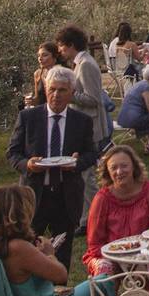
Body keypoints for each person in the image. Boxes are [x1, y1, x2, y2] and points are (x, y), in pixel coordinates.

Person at [6, 66, 97, 269]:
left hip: (66, 195)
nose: (56, 95)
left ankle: (60, 292)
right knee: (29, 250)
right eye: (52, 89)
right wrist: (27, 165)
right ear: (45, 89)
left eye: (62, 90)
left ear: (72, 93)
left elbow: (91, 154)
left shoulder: (81, 121)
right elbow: (12, 153)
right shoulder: (28, 118)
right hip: (34, 194)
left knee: (62, 253)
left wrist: (77, 162)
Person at [55, 25, 109, 236]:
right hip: (83, 125)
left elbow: (94, 100)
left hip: (91, 126)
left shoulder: (86, 65)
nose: (59, 50)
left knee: (87, 176)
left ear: (70, 45)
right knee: (86, 176)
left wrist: (71, 95)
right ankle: (89, 217)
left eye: (61, 46)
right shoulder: (79, 63)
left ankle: (90, 219)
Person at [81, 146, 149, 276]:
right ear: (108, 171)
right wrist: (113, 257)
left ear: (134, 167)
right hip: (110, 255)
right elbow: (94, 243)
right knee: (103, 270)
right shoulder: (102, 198)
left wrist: (140, 255)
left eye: (124, 166)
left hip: (145, 252)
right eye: (114, 168)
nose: (119, 172)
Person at [117, 64, 149, 153]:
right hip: (132, 120)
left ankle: (147, 141)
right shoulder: (146, 87)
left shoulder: (140, 84)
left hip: (123, 117)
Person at [29, 42, 62, 107]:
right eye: (39, 55)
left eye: (44, 55)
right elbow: (37, 99)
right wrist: (31, 101)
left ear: (55, 56)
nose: (40, 58)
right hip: (41, 112)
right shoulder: (38, 74)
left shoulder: (62, 73)